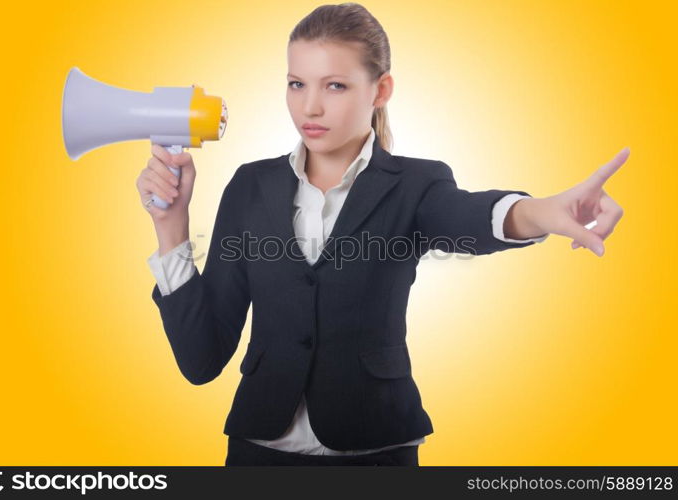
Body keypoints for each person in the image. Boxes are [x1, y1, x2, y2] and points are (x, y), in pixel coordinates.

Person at [135, 3, 628, 466]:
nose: (309, 107)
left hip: (377, 451)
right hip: (257, 452)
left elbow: (469, 217)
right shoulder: (250, 186)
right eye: (295, 83)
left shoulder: (417, 184)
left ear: (381, 89)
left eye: (335, 86)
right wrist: (171, 226)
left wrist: (541, 211)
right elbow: (201, 360)